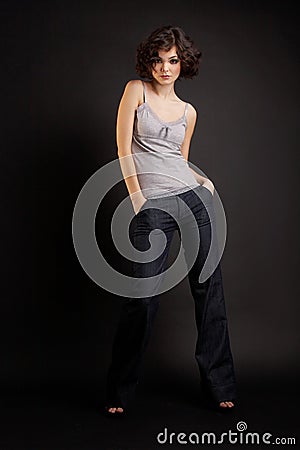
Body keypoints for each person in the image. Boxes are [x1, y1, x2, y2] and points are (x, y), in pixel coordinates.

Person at [104, 25, 237, 416]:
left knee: (209, 292)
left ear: (184, 64)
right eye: (160, 60)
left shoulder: (189, 112)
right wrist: (137, 196)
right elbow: (123, 147)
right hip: (151, 204)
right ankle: (119, 389)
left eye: (173, 61)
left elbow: (179, 158)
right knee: (142, 300)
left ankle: (220, 385)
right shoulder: (136, 91)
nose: (166, 68)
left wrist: (203, 179)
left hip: (194, 200)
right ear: (150, 61)